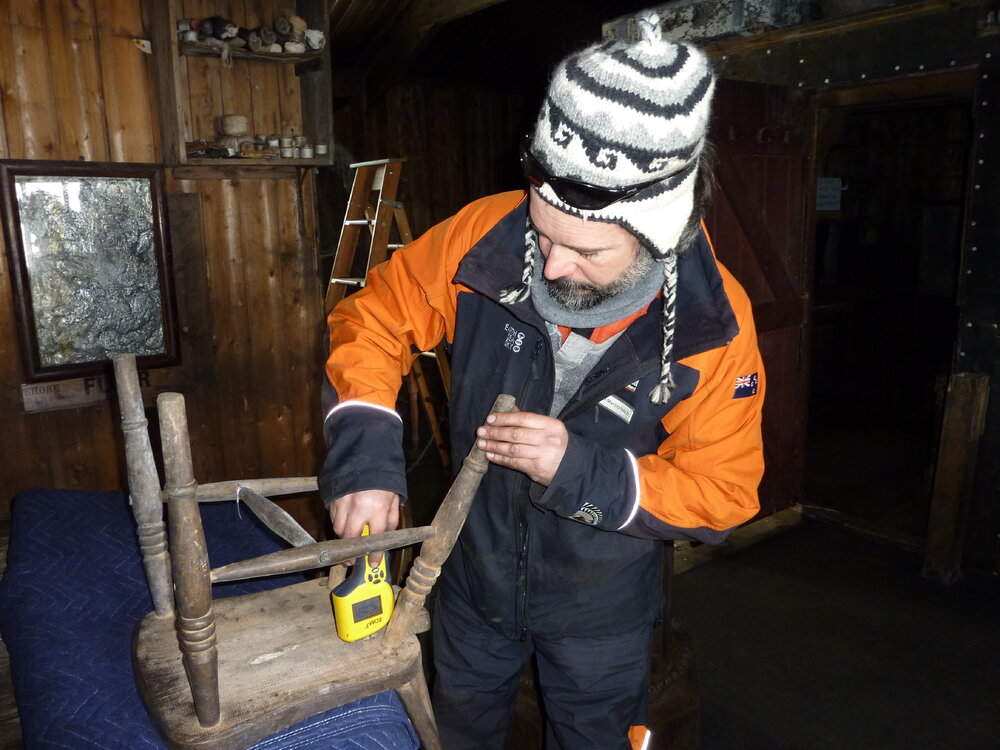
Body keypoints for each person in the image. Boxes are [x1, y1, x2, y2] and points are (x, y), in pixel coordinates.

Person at [319, 12, 765, 750]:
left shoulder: (716, 325)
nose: (551, 267)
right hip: (468, 582)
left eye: (585, 250)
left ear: (660, 233)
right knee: (455, 731)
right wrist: (365, 457)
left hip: (602, 616)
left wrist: (577, 469)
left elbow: (722, 494)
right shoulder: (485, 235)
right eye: (543, 233)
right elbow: (373, 319)